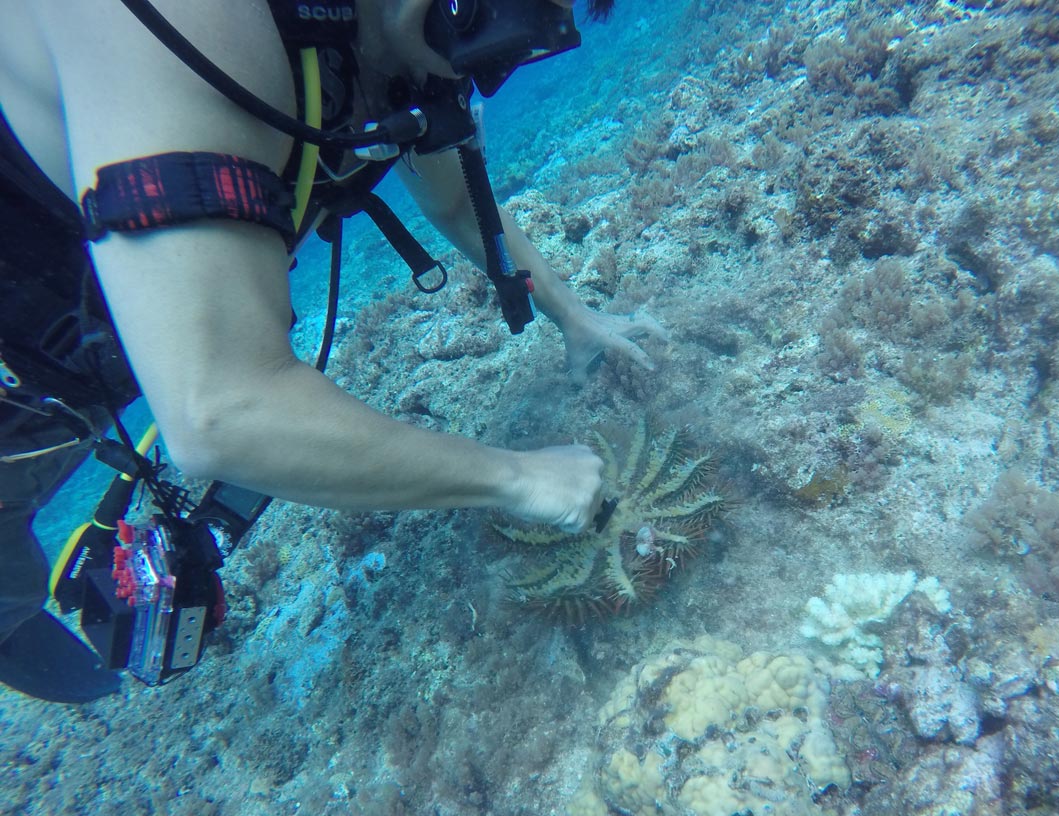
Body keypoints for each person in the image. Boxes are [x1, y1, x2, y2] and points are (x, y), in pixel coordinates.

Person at [0, 0, 666, 702]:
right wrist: (523, 480)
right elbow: (219, 414)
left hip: (99, 363)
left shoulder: (392, 34)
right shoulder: (184, 19)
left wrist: (573, 314)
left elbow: (453, 202)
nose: (484, 59)